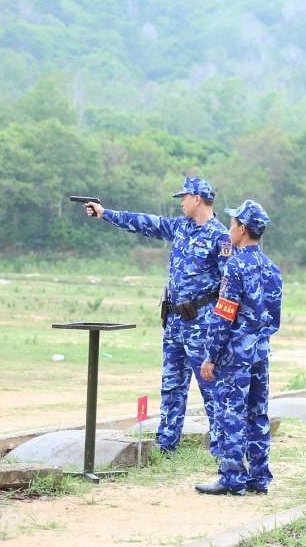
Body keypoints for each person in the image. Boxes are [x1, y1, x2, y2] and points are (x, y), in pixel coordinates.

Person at [84, 177, 231, 456]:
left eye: (184, 197)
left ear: (197, 198)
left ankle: (223, 448)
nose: (181, 202)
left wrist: (222, 328)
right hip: (175, 321)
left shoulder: (221, 237)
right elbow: (145, 222)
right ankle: (167, 445)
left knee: (210, 386)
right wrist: (105, 214)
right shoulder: (180, 227)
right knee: (172, 385)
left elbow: (229, 286)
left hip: (203, 323)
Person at [196, 200, 282, 496]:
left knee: (231, 413)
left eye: (232, 224)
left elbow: (223, 317)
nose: (229, 228)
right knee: (258, 413)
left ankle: (232, 479)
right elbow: (274, 317)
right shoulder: (271, 268)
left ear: (242, 229)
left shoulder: (235, 265)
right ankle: (259, 478)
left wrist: (210, 356)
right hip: (260, 353)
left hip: (234, 355)